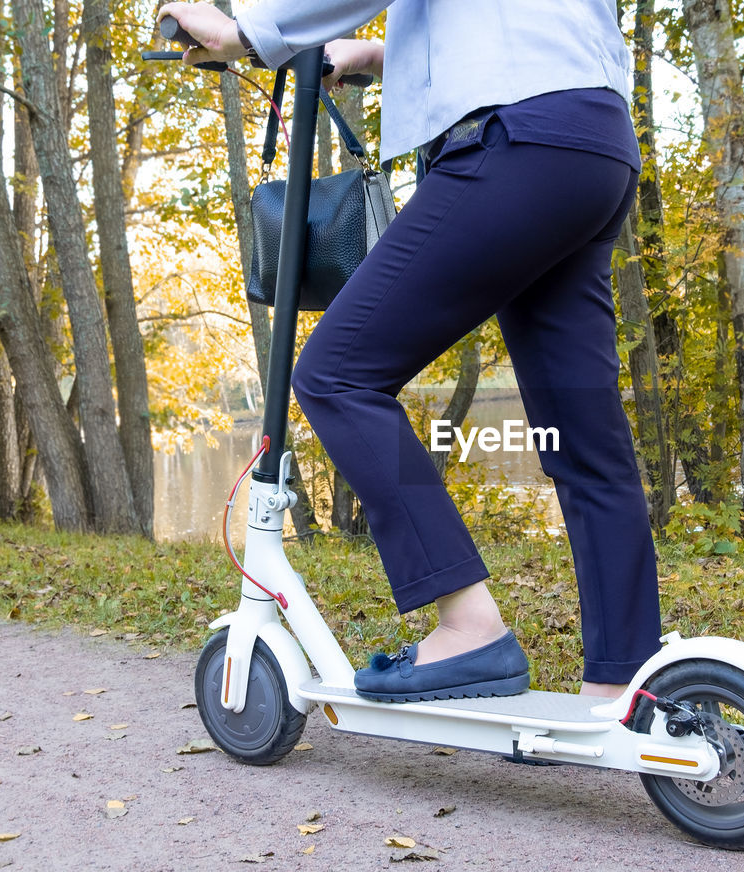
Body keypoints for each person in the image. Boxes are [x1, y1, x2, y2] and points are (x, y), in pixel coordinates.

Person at [158, 0, 663, 702]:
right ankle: (620, 681)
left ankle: (468, 623)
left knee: (338, 376)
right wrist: (369, 55)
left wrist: (246, 32)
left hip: (508, 141)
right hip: (592, 147)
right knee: (587, 442)